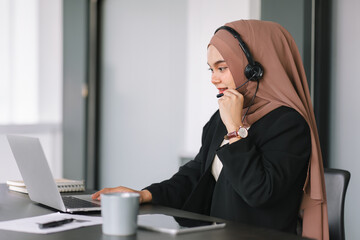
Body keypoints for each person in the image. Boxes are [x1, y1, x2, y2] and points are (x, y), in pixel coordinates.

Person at [92, 20, 329, 240]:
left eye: (222, 68)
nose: (214, 79)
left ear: (254, 70)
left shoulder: (289, 124)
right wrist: (144, 195)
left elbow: (259, 192)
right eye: (211, 69)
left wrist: (235, 130)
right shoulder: (223, 117)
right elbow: (196, 174)